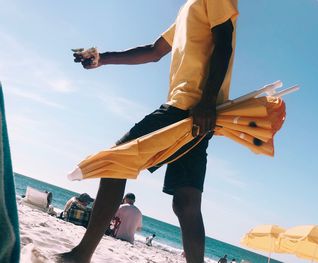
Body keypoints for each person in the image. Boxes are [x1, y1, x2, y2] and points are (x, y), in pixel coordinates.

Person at [57, 0, 238, 262]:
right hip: (198, 113)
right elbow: (154, 51)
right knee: (186, 201)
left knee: (113, 162)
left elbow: (224, 41)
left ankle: (80, 256)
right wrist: (102, 59)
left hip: (189, 106)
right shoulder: (190, 8)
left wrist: (208, 100)